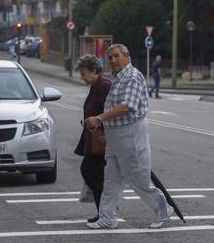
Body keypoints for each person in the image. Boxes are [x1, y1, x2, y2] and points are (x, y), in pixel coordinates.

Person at [85, 44, 173, 230]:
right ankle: (108, 218)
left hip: (130, 133)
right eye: (110, 58)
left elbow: (127, 106)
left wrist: (100, 119)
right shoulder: (117, 77)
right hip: (116, 134)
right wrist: (106, 130)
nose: (113, 60)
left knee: (138, 177)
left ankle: (163, 209)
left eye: (117, 56)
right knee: (111, 179)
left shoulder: (132, 77)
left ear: (127, 57)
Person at [74, 55, 112, 223]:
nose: (82, 77)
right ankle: (104, 212)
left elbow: (109, 112)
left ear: (94, 70)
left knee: (90, 172)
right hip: (94, 138)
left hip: (101, 140)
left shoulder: (103, 86)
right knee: (94, 174)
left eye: (84, 74)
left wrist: (104, 133)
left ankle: (107, 212)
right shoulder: (96, 85)